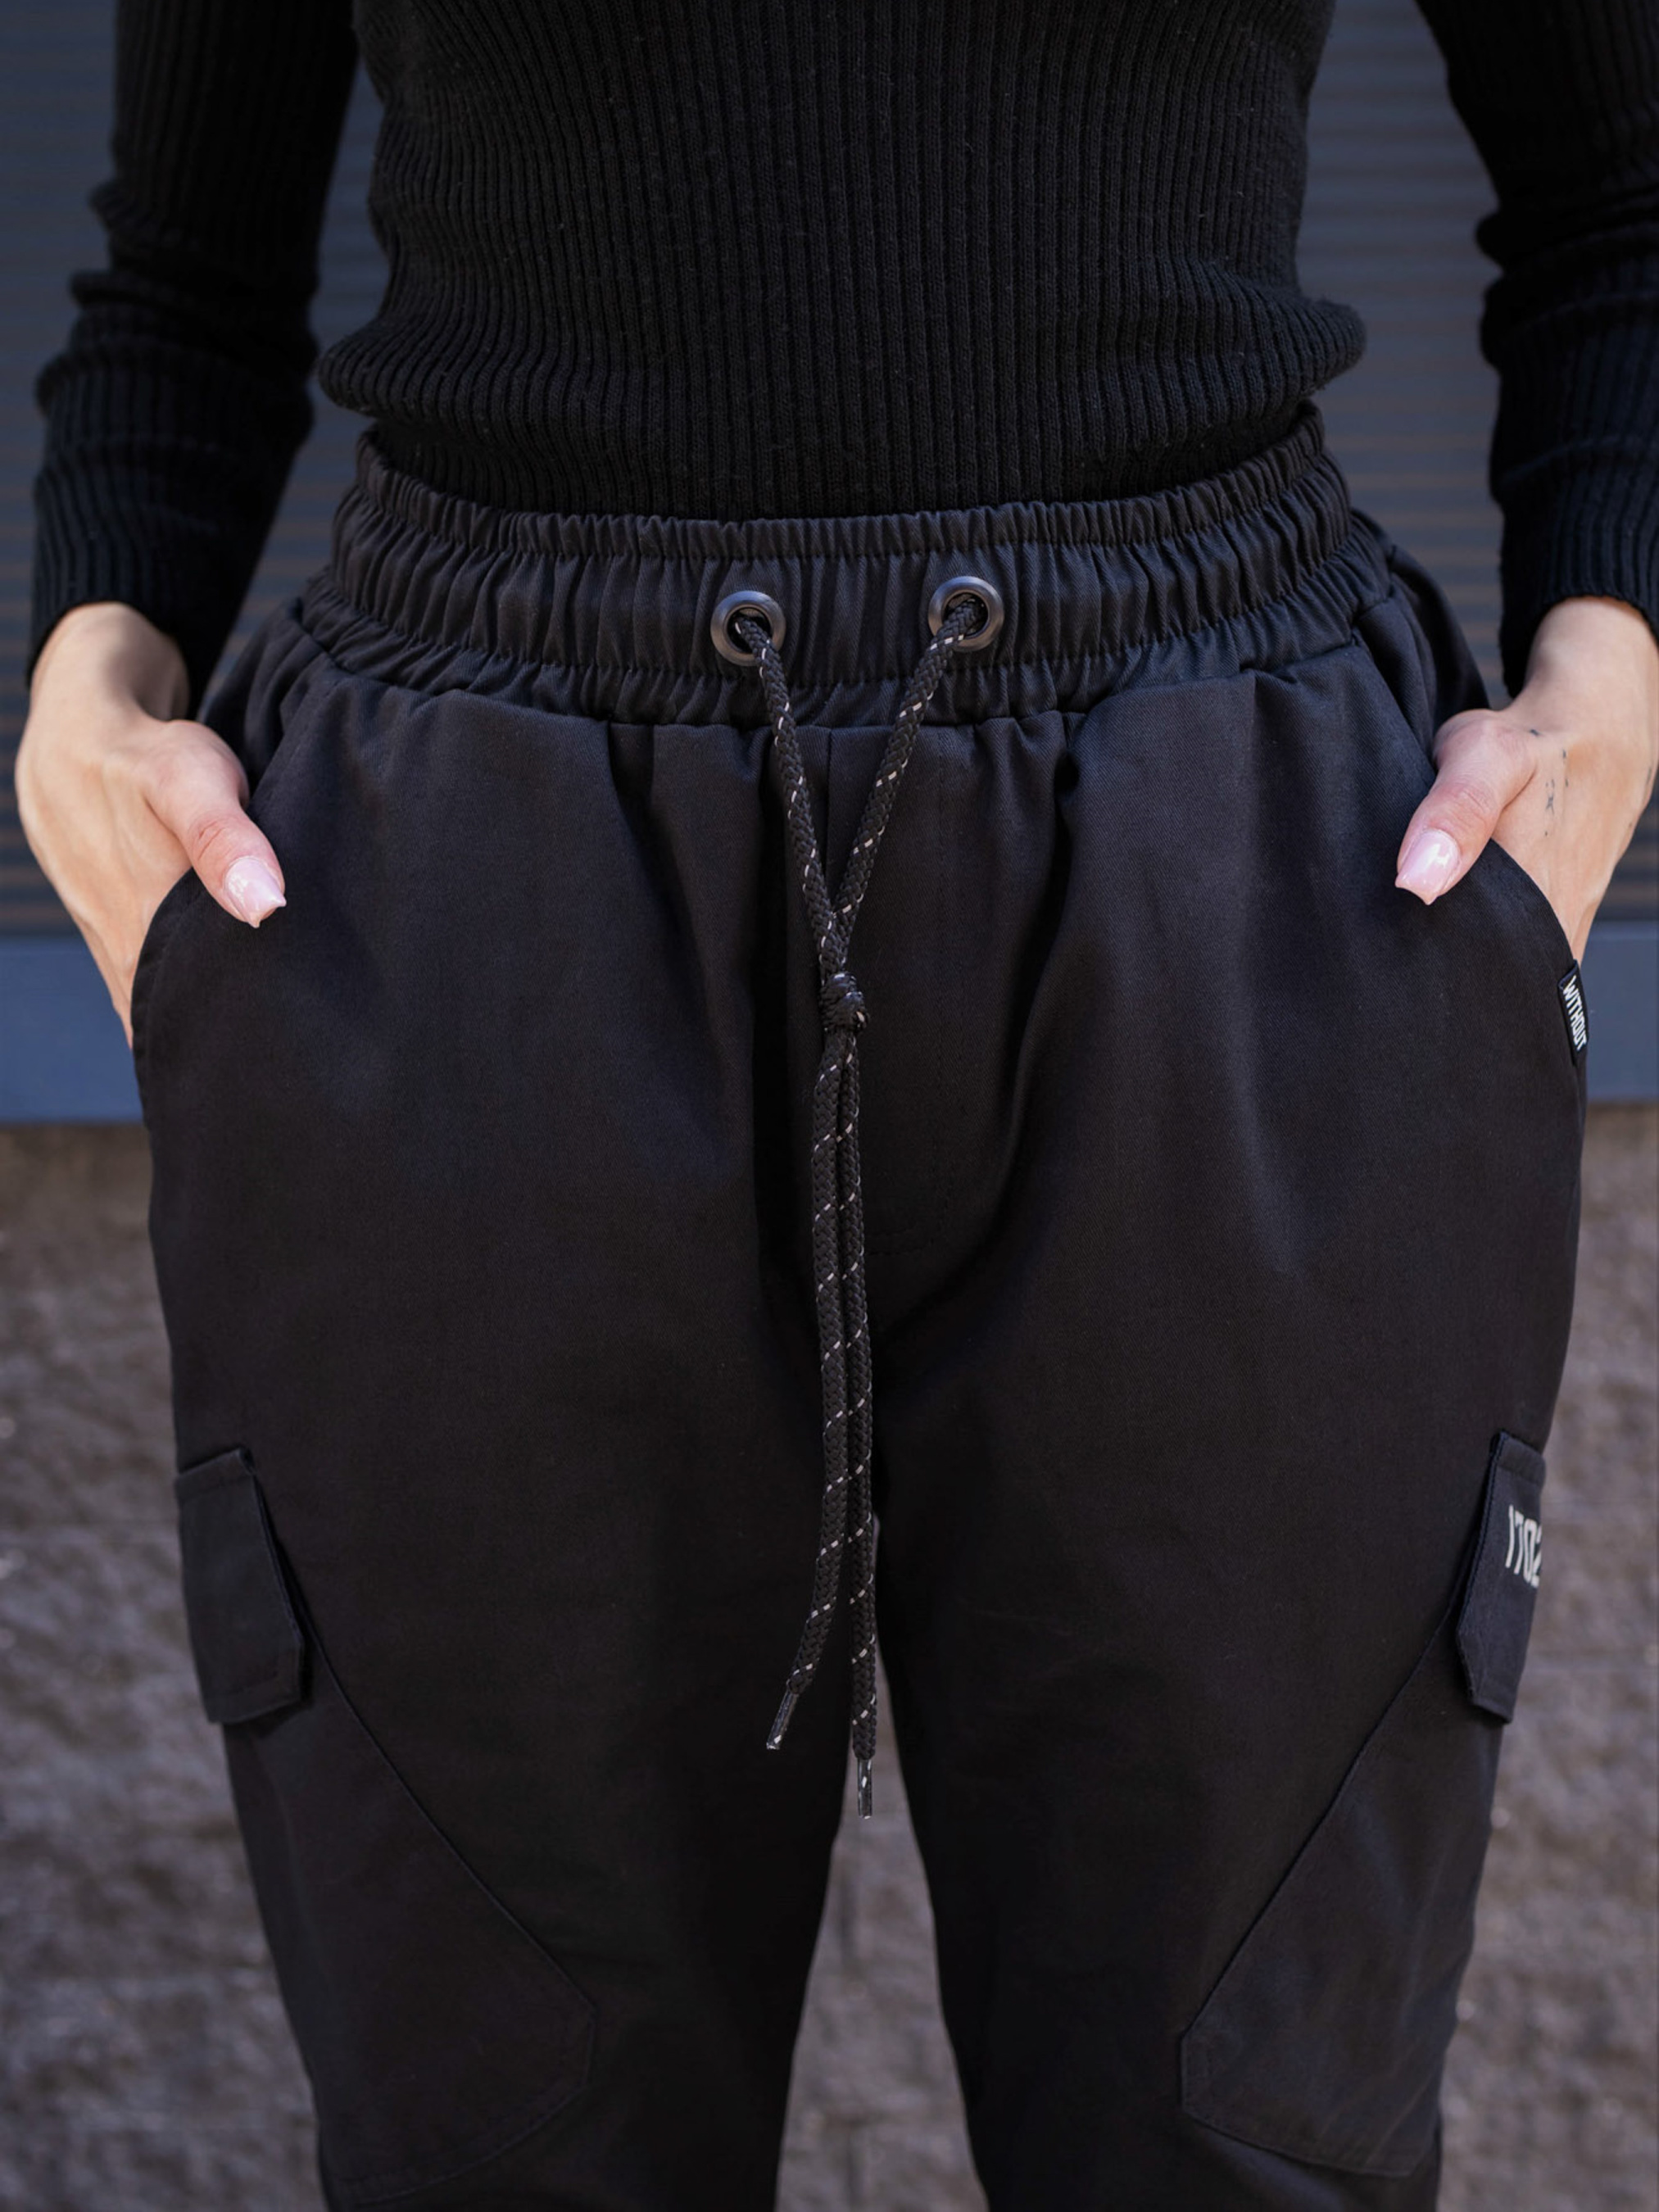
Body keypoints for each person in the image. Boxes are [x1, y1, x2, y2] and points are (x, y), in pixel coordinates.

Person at [17, 2, 1658, 2206]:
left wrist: (1604, 697)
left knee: (1242, 2145)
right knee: (502, 2152)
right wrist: (87, 700)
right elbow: (184, 275)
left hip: (1232, 890)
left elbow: (1622, 190)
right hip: (481, 905)